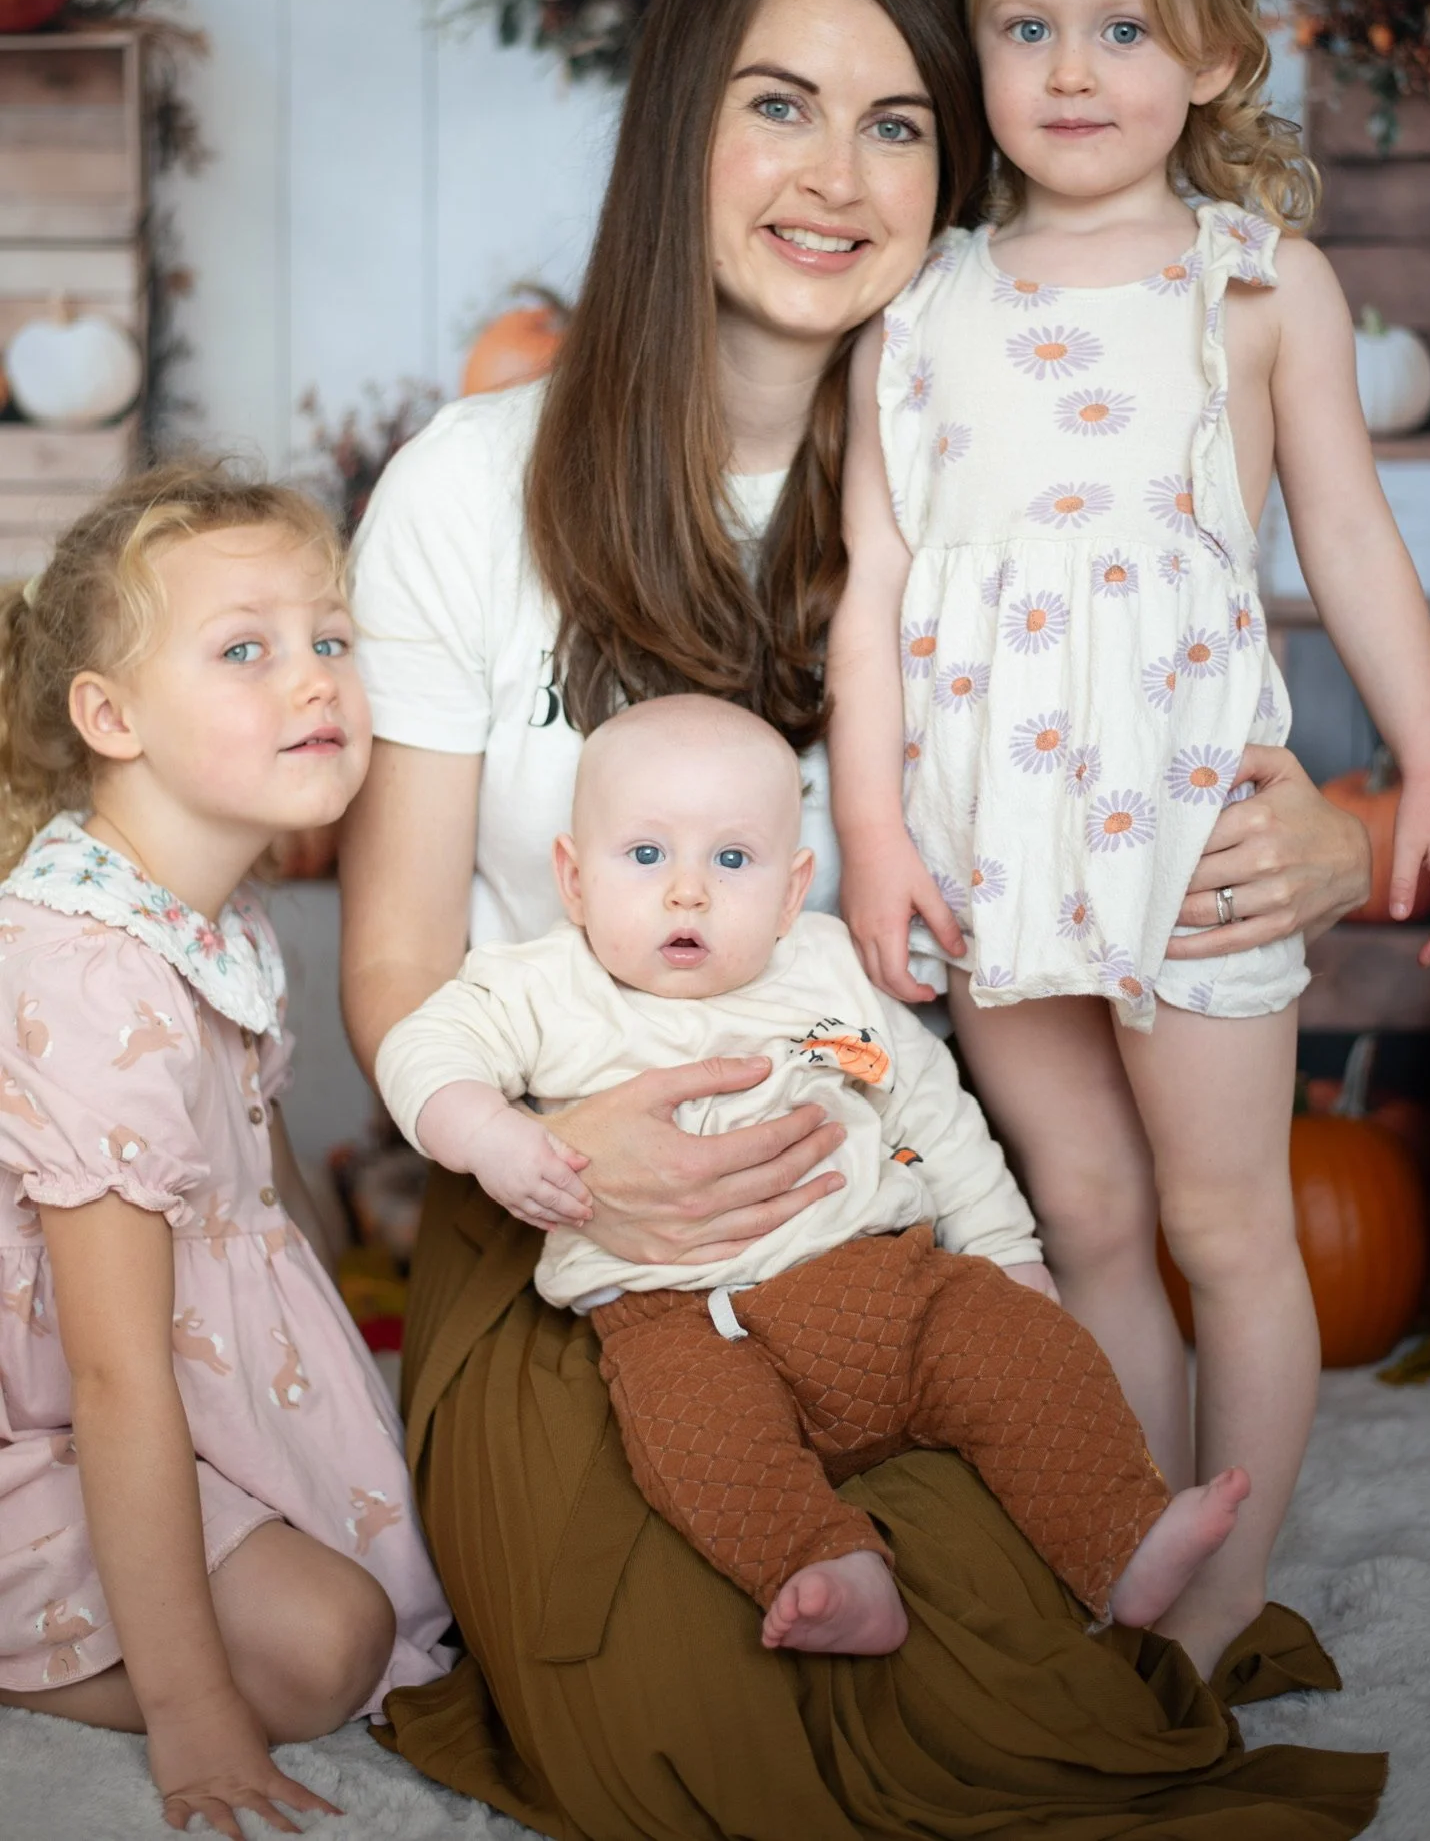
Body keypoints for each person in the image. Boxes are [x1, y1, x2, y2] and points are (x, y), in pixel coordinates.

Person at [341, 0, 1386, 1836]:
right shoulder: (473, 485)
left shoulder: (991, 479)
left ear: (956, 164)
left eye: (898, 123)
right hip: (572, 1225)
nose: (837, 175)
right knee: (690, 1699)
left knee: (1006, 1651)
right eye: (780, 106)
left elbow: (1191, 663)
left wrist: (1332, 827)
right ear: (678, 129)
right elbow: (397, 951)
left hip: (881, 1218)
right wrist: (567, 1153)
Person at [828, 0, 1430, 1679]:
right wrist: (875, 838)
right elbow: (873, 598)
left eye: (1121, 30)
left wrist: (1428, 775)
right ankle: (1132, 1539)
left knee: (1225, 1219)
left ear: (1207, 55)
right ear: (976, 55)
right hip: (988, 839)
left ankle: (1223, 1587)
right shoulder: (919, 310)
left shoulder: (1255, 283)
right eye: (1025, 29)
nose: (1070, 71)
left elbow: (1348, 536)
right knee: (1091, 1212)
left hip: (1187, 837)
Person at [375, 694, 1251, 1658]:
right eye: (646, 854)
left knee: (1026, 1352)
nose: (687, 892)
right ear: (573, 880)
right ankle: (825, 1570)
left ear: (793, 892)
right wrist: (493, 1135)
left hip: (891, 1281)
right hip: (684, 1322)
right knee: (693, 1438)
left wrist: (1007, 1253)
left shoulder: (825, 966)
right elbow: (420, 1051)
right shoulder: (538, 986)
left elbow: (930, 1109)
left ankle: (1121, 1539)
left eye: (731, 860)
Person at [0, 464, 452, 1841]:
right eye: (245, 650)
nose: (314, 678)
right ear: (111, 717)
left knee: (421, 1560)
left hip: (158, 1396)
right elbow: (111, 1370)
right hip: (46, 1430)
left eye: (330, 639)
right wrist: (193, 1712)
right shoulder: (87, 976)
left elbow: (263, 1204)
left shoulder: (216, 920)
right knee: (326, 1646)